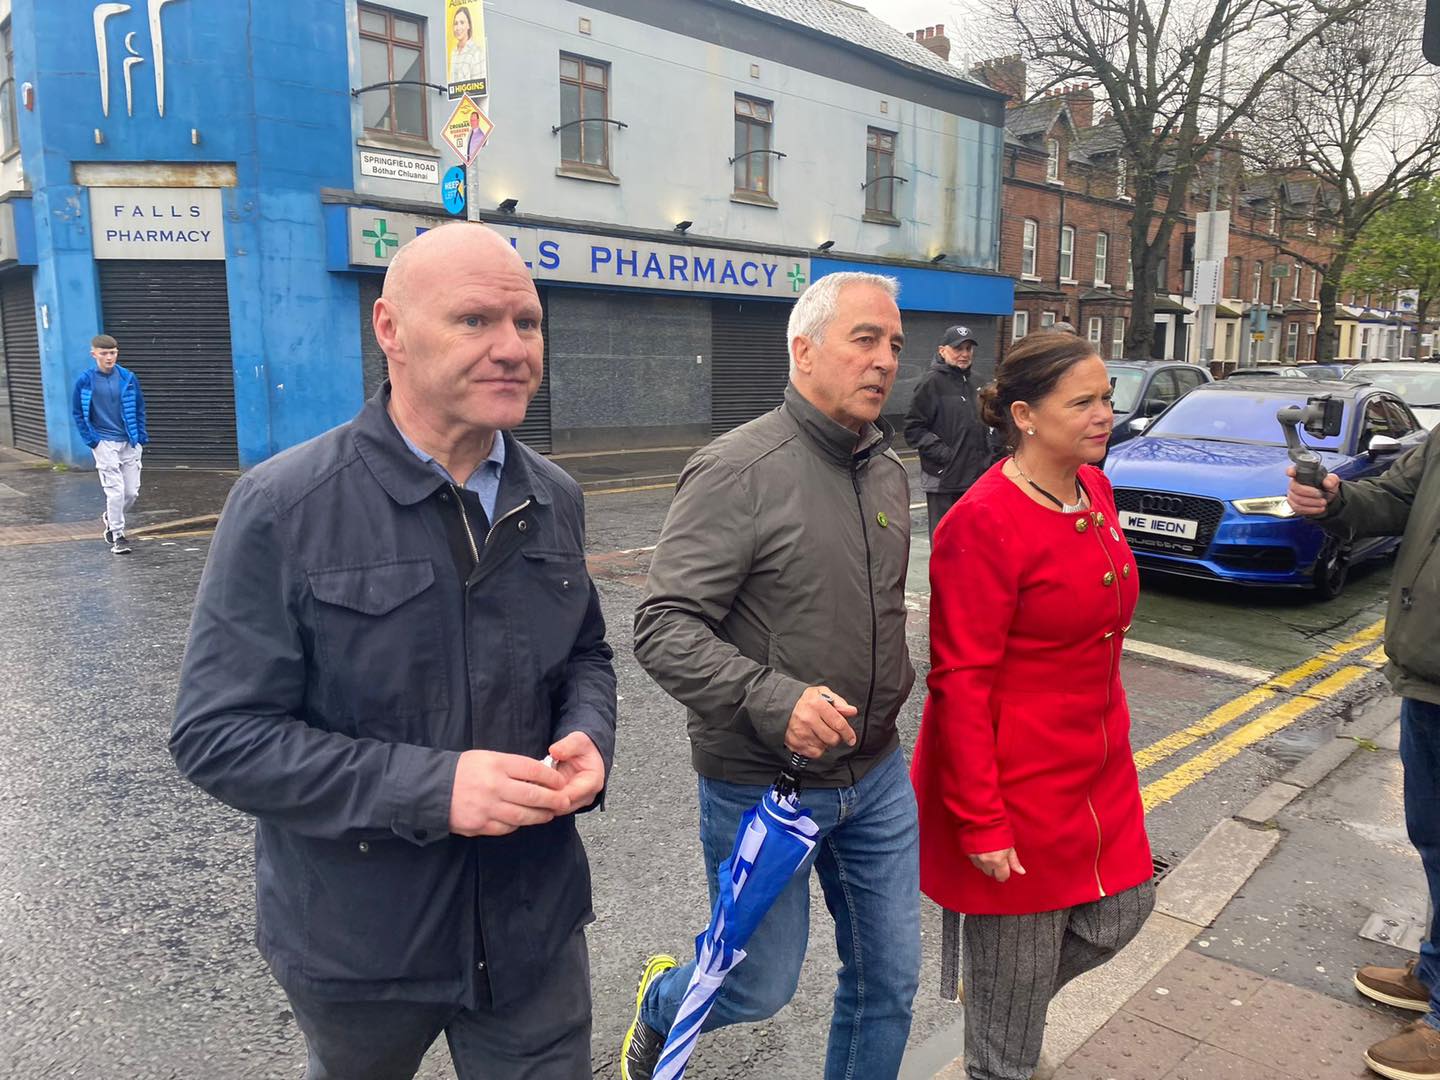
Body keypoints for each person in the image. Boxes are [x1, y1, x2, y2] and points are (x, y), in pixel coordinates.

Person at [170, 223, 616, 1080]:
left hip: (534, 929)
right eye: (476, 321)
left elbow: (588, 655)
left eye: (527, 323)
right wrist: (434, 787)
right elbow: (218, 736)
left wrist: (591, 733)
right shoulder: (284, 505)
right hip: (360, 951)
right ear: (390, 329)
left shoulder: (552, 496)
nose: (513, 348)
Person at [624, 272, 920, 1080]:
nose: (886, 360)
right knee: (758, 984)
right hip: (766, 784)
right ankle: (661, 1000)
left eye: (894, 344)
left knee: (889, 982)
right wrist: (772, 697)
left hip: (878, 776)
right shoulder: (737, 469)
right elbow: (661, 626)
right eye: (865, 339)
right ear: (803, 349)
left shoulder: (887, 470)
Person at [911, 331, 1155, 1080]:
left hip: (1095, 768)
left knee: (1127, 909)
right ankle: (1000, 1035)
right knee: (1007, 1058)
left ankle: (999, 1009)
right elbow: (960, 683)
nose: (1103, 414)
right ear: (1024, 414)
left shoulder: (1096, 491)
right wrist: (981, 818)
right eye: (1081, 401)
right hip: (1013, 787)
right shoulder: (981, 522)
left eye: (1107, 398)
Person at [1287, 435, 1440, 1080]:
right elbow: (1394, 499)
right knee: (1431, 834)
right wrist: (1336, 498)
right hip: (1427, 672)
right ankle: (1434, 969)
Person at [904, 325, 991, 537]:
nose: (964, 354)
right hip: (944, 481)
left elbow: (990, 424)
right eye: (958, 348)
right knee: (945, 543)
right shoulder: (931, 383)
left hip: (976, 480)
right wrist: (945, 455)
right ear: (942, 350)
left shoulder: (978, 383)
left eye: (969, 348)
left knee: (973, 543)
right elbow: (913, 428)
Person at [71, 334, 148, 555]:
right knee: (115, 492)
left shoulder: (128, 378)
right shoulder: (85, 380)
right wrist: (92, 441)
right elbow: (78, 412)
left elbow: (139, 407)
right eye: (104, 353)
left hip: (129, 441)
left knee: (131, 493)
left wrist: (140, 436)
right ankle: (118, 535)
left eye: (112, 352)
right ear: (93, 354)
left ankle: (109, 517)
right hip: (104, 442)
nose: (109, 357)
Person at [450, 5, 485, 85]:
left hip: (470, 97)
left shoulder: (476, 52)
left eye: (462, 23)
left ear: (468, 25)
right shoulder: (454, 53)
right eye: (455, 23)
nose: (458, 28)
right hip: (456, 96)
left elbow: (480, 86)